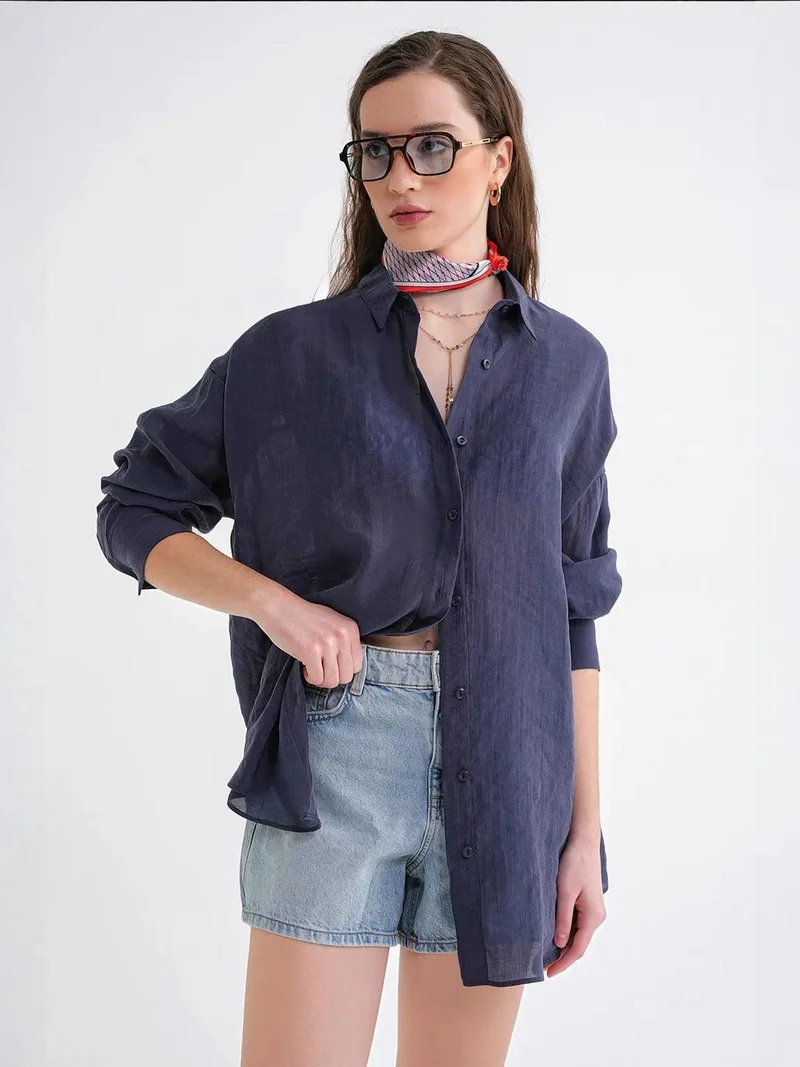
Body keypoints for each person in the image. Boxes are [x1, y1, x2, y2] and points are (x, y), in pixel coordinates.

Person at [96, 29, 623, 1067]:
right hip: (339, 748)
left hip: (512, 758)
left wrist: (582, 832)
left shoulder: (568, 365)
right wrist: (272, 604)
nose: (399, 176)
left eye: (431, 146)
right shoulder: (288, 355)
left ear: (498, 161)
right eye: (374, 151)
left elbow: (572, 610)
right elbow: (134, 508)